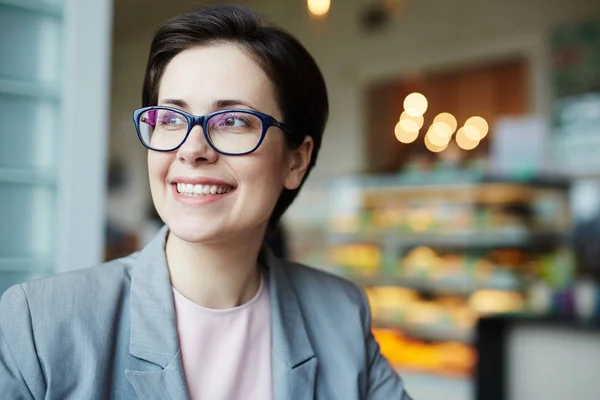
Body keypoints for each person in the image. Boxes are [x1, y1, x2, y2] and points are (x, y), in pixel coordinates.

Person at [0, 4, 411, 399]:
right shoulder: (43, 323)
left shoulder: (339, 312)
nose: (192, 149)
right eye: (171, 118)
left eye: (233, 121)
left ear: (296, 160)